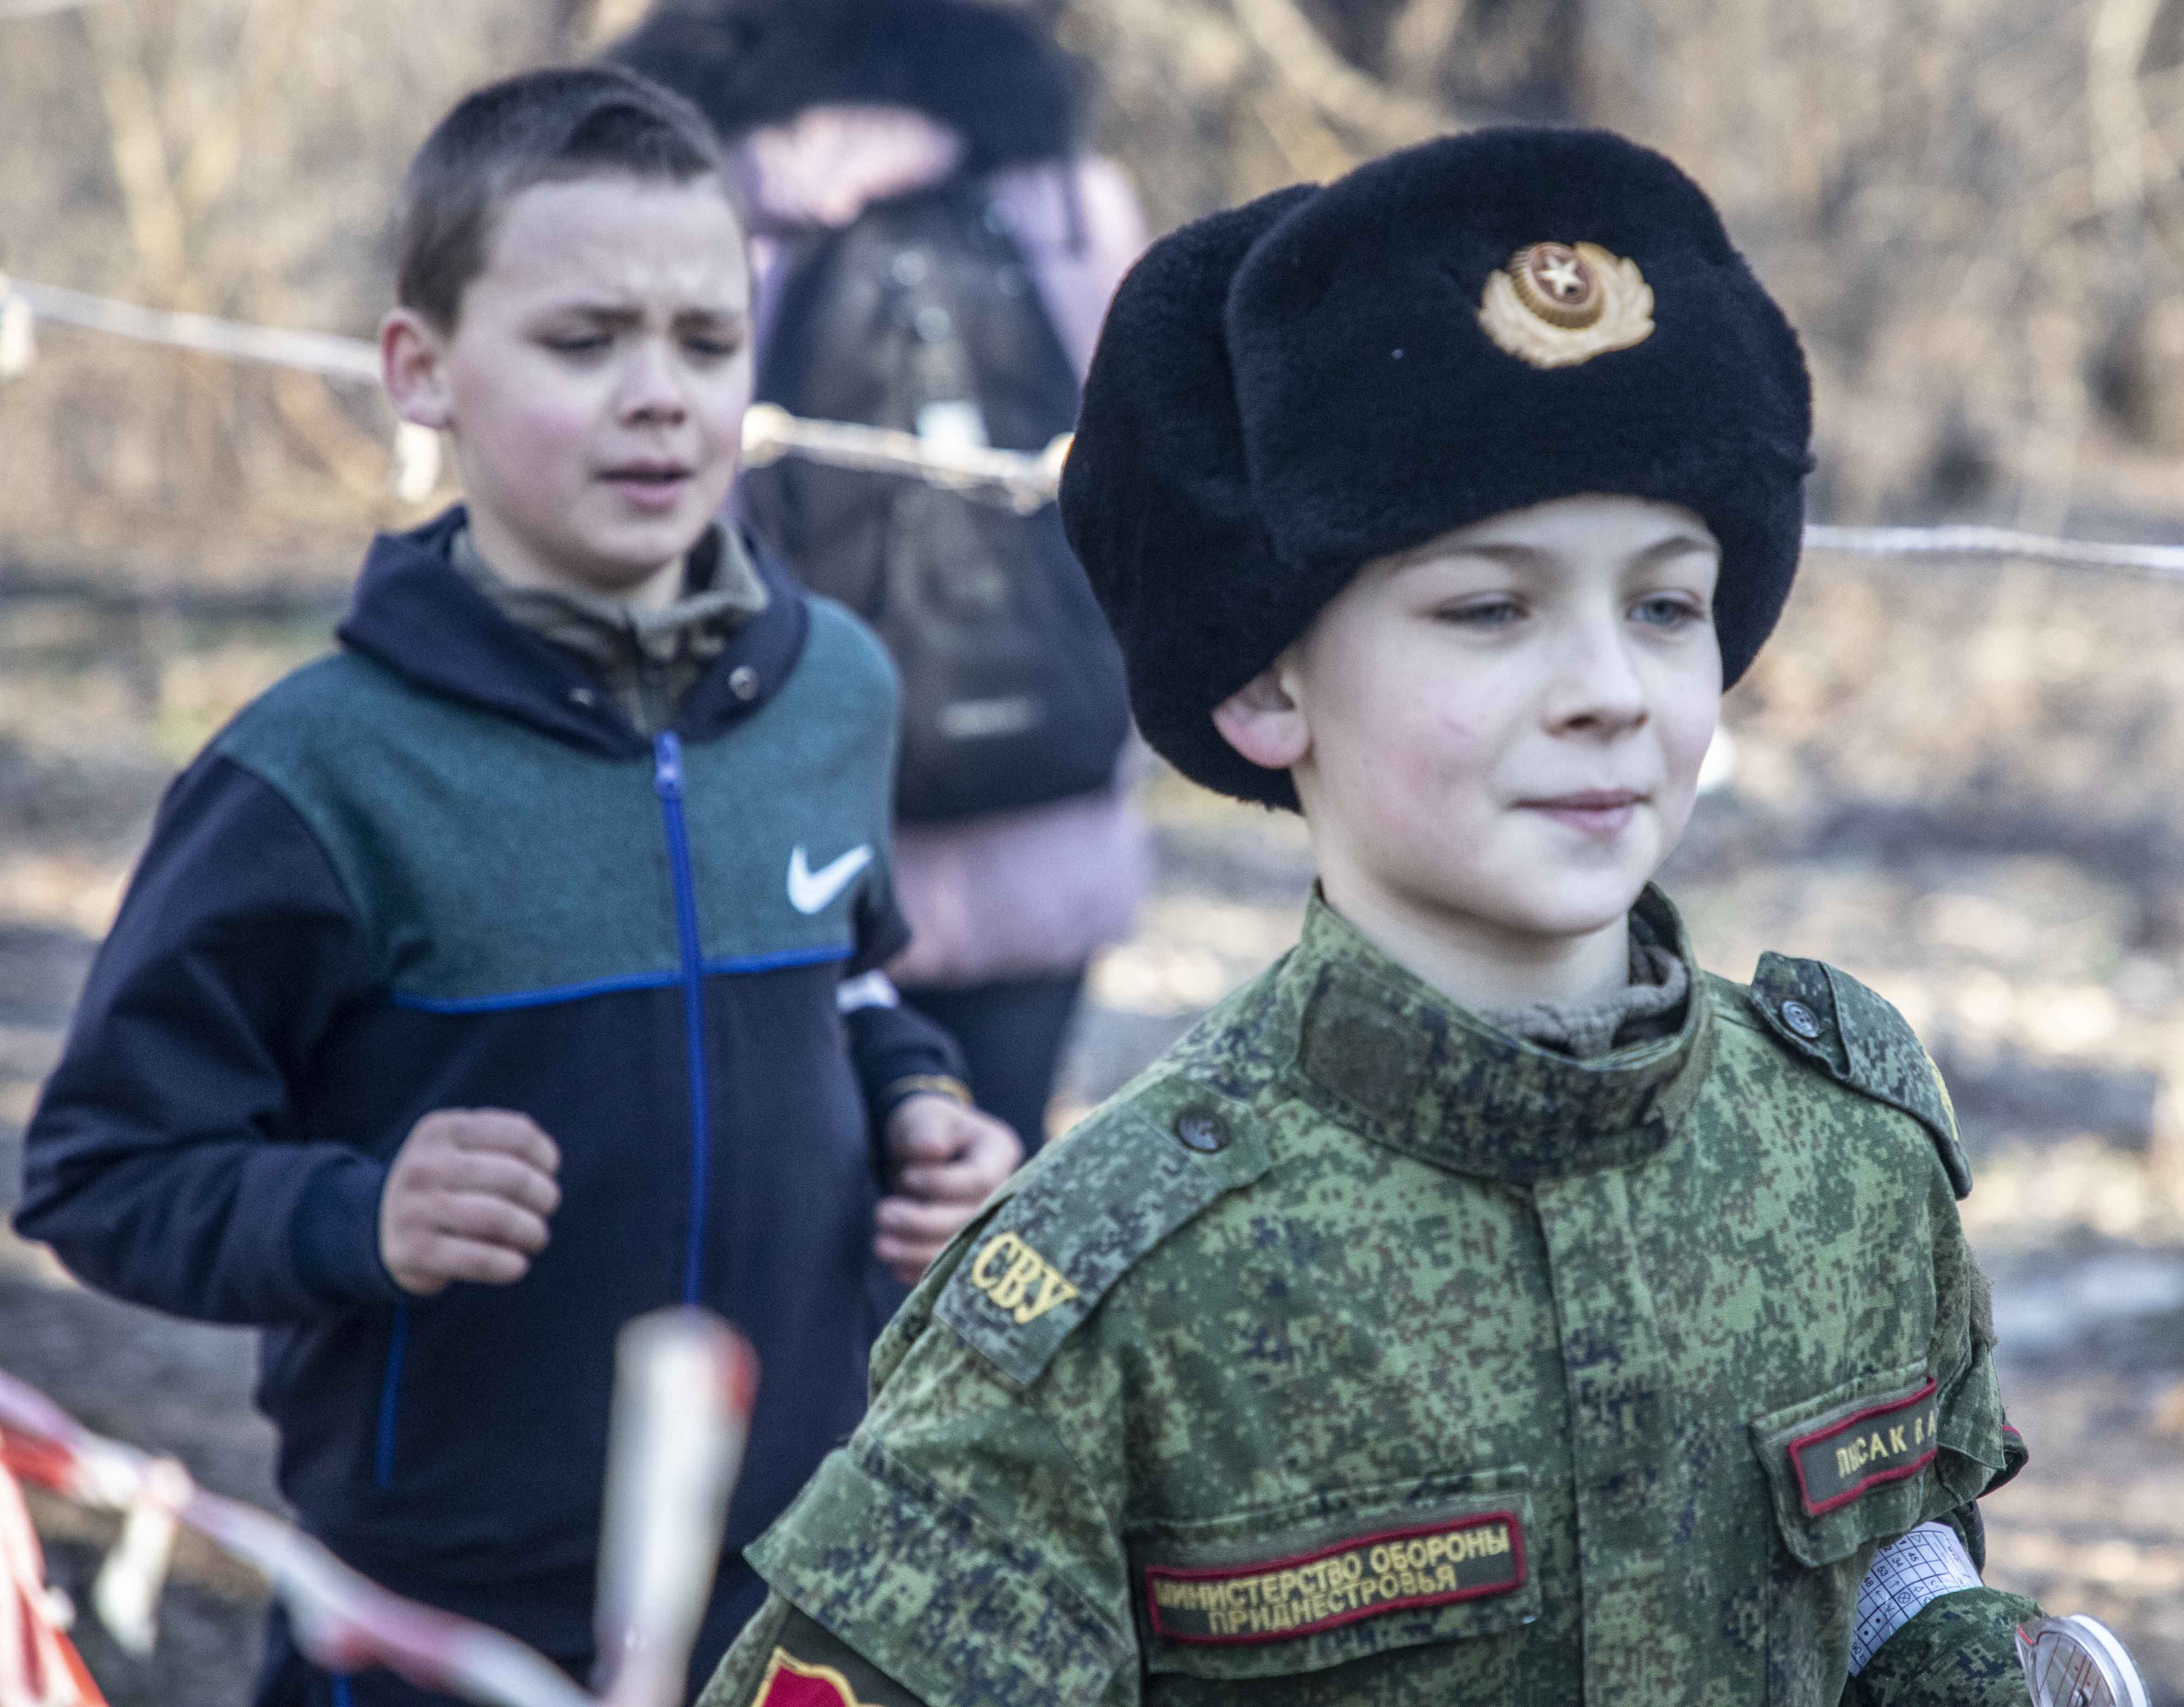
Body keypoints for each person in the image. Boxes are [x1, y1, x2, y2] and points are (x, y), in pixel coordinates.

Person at [696, 126, 2049, 1707]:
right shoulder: (1120, 1292)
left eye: (1663, 605)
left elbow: (1895, 1578)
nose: (1608, 691)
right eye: (1489, 609)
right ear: (1268, 682)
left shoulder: (1849, 1159)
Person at [11, 66, 1021, 1704]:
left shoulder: (838, 687)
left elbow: (854, 986)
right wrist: (356, 1215)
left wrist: (924, 1106)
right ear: (421, 370)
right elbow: (99, 1174)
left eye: (705, 340)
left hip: (802, 1582)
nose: (659, 397)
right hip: (438, 1624)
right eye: (584, 340)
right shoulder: (314, 771)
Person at [612, 0, 1153, 1149]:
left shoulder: (707, 196)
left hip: (780, 832)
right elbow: (1139, 491)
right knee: (984, 1187)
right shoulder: (1066, 198)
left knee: (786, 1208)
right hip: (1040, 807)